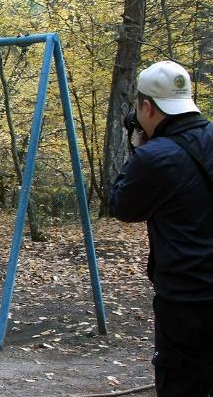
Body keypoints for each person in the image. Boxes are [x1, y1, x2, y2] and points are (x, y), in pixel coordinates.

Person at [110, 61, 213, 396]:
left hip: (187, 300)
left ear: (146, 106)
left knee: (182, 384)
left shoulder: (155, 157)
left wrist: (138, 152)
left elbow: (123, 207)